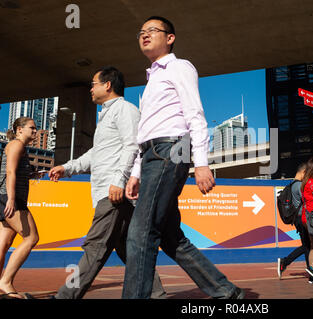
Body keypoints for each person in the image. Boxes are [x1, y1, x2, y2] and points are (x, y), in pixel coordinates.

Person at [122, 16, 244, 299]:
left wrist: (201, 163)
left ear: (170, 38)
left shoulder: (179, 67)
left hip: (171, 151)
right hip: (152, 154)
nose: (145, 35)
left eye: (152, 30)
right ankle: (225, 292)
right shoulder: (152, 78)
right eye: (141, 32)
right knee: (169, 237)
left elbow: (195, 115)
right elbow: (146, 131)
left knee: (140, 234)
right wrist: (136, 173)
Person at [48, 66, 166, 299]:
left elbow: (133, 146)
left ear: (107, 85)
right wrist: (67, 167)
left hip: (113, 193)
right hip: (109, 192)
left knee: (94, 247)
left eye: (94, 84)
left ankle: (63, 297)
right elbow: (95, 154)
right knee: (132, 252)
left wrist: (119, 180)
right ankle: (156, 295)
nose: (91, 88)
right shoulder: (106, 116)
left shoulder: (124, 110)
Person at [0, 117, 40, 299]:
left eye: (36, 128)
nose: (35, 131)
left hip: (8, 198)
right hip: (11, 199)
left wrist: (33, 173)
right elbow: (10, 172)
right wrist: (11, 200)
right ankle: (5, 281)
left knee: (3, 244)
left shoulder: (20, 148)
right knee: (31, 237)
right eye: (31, 128)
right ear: (19, 130)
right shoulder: (16, 145)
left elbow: (15, 171)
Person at [277, 163, 311, 279]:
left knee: (307, 246)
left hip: (297, 219)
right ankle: (311, 272)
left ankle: (285, 262)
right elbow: (308, 201)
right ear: (303, 172)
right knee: (308, 246)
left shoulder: (291, 185)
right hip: (302, 219)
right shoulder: (300, 186)